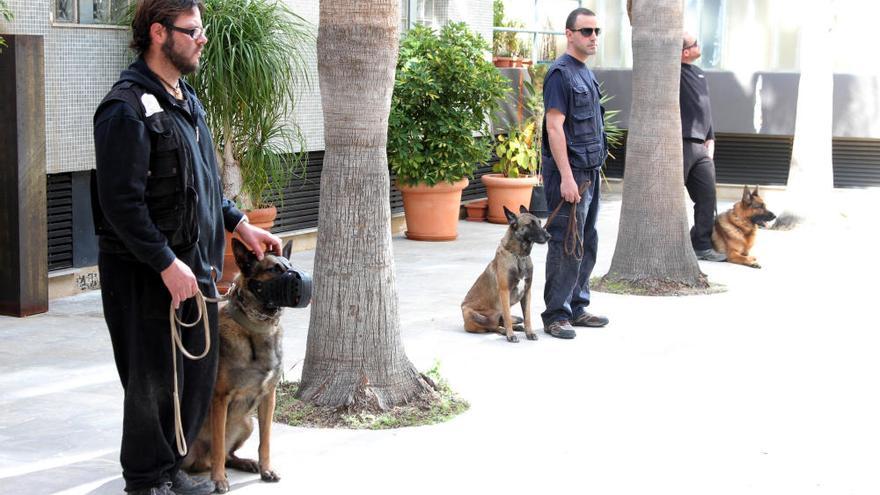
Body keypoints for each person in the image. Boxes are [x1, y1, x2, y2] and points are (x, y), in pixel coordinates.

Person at [92, 1, 281, 493]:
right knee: (151, 383)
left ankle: (171, 469)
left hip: (191, 271)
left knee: (189, 381)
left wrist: (241, 225)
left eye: (202, 30)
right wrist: (164, 263)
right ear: (159, 33)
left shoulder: (185, 101)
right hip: (144, 278)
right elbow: (121, 205)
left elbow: (203, 187)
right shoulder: (125, 108)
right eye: (193, 30)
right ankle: (147, 481)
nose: (202, 39)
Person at [540, 7, 610, 340]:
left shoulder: (585, 73)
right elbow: (555, 127)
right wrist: (567, 177)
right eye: (586, 31)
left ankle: (577, 306)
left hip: (590, 171)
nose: (593, 37)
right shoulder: (560, 73)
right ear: (569, 34)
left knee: (587, 240)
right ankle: (556, 315)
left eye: (596, 31)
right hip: (570, 174)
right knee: (566, 242)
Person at [680, 32, 726, 262]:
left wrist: (711, 137)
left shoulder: (699, 73)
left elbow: (705, 107)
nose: (700, 45)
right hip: (680, 141)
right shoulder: (673, 72)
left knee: (708, 194)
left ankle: (702, 245)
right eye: (695, 43)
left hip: (702, 144)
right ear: (684, 52)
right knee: (673, 196)